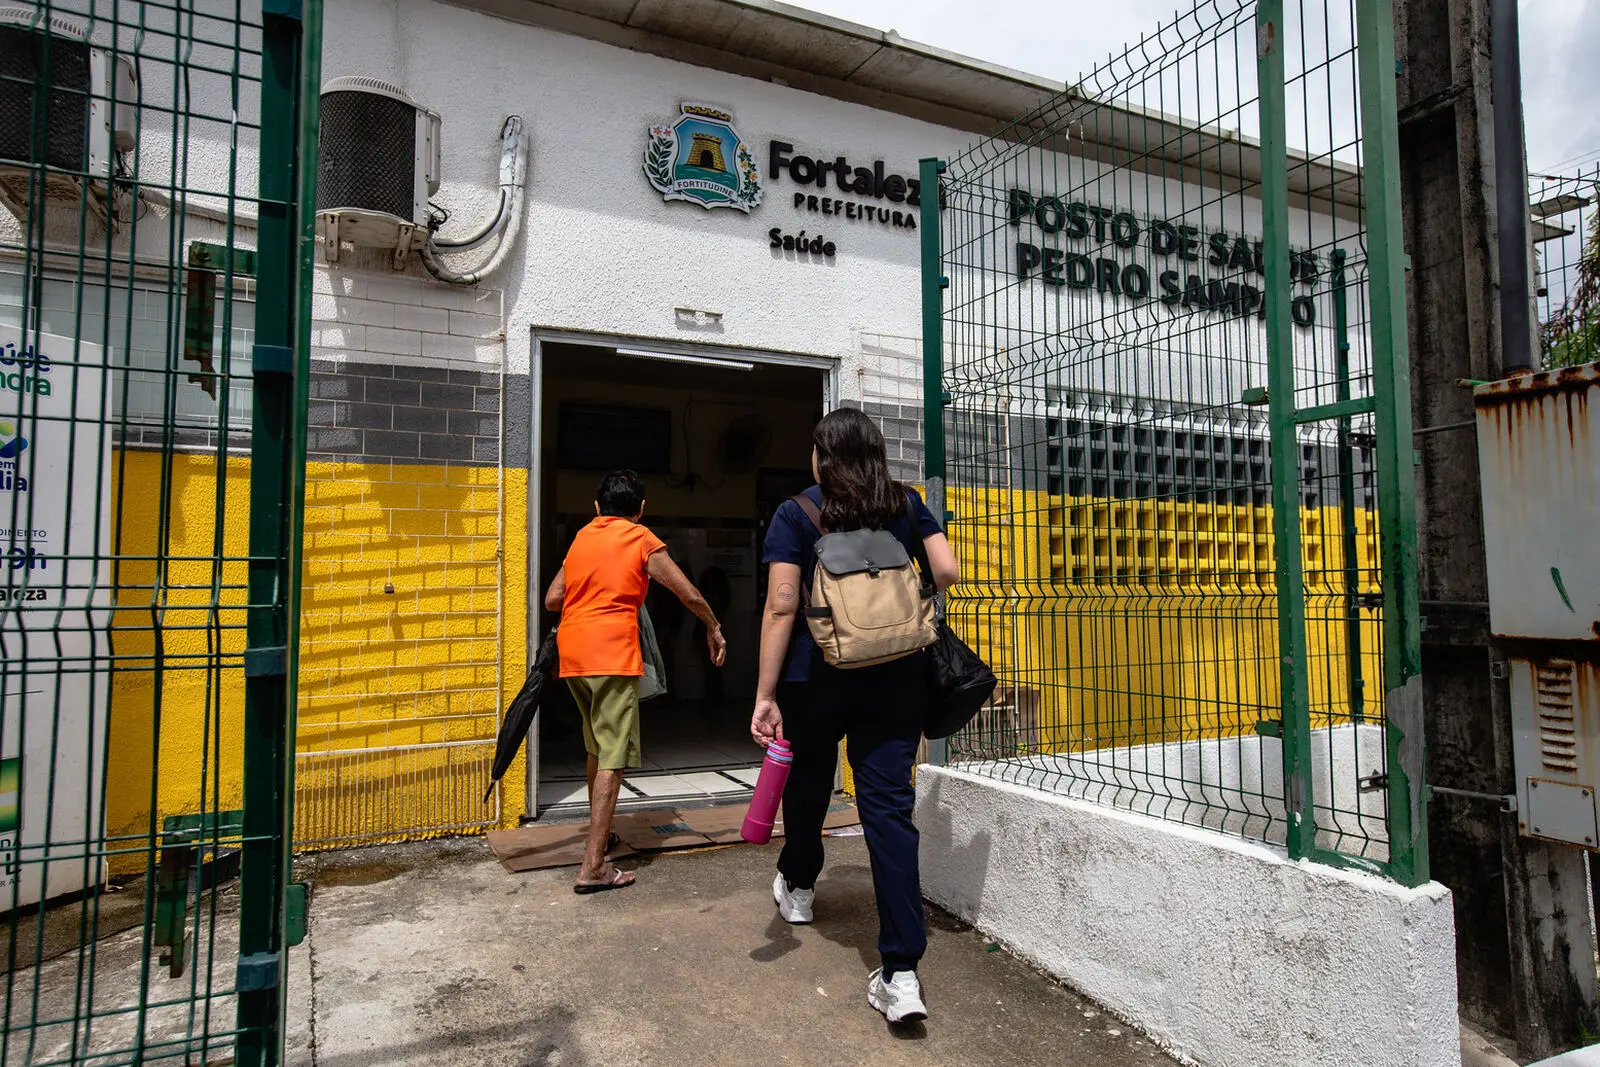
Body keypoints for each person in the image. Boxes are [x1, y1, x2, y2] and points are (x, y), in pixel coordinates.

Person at [751, 409, 960, 1023]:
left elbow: (781, 606)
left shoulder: (797, 512)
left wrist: (765, 694)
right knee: (888, 812)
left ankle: (800, 887)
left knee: (810, 783)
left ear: (823, 456)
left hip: (814, 679)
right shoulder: (906, 502)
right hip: (896, 677)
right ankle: (900, 974)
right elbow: (945, 571)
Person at [545, 469, 726, 893]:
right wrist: (713, 626)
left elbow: (554, 598)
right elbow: (688, 593)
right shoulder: (641, 538)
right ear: (641, 509)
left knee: (595, 745)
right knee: (613, 756)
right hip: (611, 654)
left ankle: (601, 836)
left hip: (574, 654)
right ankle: (594, 866)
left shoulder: (582, 537)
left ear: (596, 508)